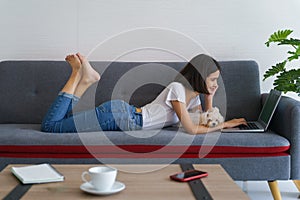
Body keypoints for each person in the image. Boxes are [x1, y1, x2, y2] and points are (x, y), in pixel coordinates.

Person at [41, 53, 246, 134]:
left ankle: (86, 81)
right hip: (120, 117)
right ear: (200, 77)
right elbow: (192, 129)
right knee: (51, 127)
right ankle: (77, 73)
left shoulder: (192, 97)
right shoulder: (177, 91)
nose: (215, 84)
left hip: (121, 114)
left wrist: (209, 98)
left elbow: (204, 122)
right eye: (212, 79)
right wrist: (225, 124)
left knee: (64, 120)